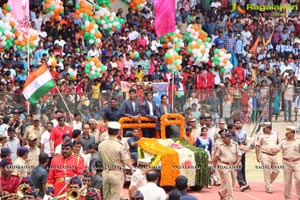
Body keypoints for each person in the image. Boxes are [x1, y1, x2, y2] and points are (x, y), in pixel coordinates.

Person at [98, 121, 134, 200]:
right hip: (116, 173)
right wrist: (132, 169)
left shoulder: (101, 145)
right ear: (118, 132)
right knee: (115, 197)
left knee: (106, 197)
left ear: (108, 130)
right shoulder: (120, 145)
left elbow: (100, 158)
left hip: (105, 172)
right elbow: (126, 161)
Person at [211, 132, 242, 200]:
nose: (223, 139)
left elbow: (239, 155)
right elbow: (216, 157)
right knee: (229, 182)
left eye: (225, 138)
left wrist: (237, 164)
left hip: (233, 165)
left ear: (229, 138)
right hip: (224, 165)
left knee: (233, 182)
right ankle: (231, 197)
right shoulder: (220, 146)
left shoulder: (235, 145)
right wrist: (213, 167)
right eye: (223, 137)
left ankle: (222, 192)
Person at [255, 122, 281, 193]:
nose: (263, 129)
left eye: (264, 128)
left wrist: (277, 149)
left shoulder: (276, 134)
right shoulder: (261, 136)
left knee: (277, 170)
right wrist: (257, 156)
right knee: (267, 171)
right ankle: (268, 187)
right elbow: (257, 146)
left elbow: (279, 143)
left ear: (268, 128)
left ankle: (268, 182)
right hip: (265, 155)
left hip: (274, 155)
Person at [280, 126, 300, 199]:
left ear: (292, 133)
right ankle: (287, 197)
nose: (286, 134)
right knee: (287, 181)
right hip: (286, 162)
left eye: (288, 133)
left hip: (297, 162)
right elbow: (277, 148)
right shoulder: (283, 141)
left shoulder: (298, 141)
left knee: (298, 179)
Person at [234, 119, 250, 191]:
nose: (238, 124)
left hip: (242, 152)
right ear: (234, 124)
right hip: (236, 153)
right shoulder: (233, 132)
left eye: (239, 123)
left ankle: (244, 182)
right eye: (236, 123)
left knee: (243, 168)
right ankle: (241, 183)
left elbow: (246, 142)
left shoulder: (244, 132)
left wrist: (245, 144)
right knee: (238, 168)